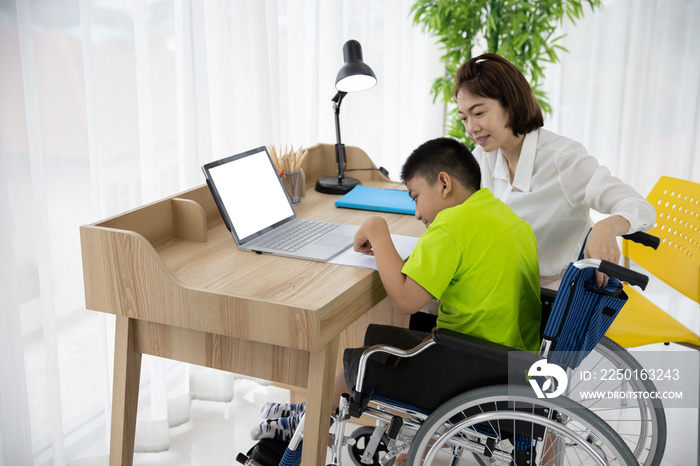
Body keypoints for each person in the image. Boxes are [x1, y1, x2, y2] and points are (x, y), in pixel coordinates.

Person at [250, 137, 542, 447]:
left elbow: (405, 301)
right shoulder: (507, 218)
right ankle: (308, 412)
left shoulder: (451, 226)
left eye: (416, 196)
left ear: (444, 183)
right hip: (508, 364)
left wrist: (377, 228)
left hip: (470, 372)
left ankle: (305, 425)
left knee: (361, 360)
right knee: (379, 339)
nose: (417, 213)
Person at [453, 53, 656, 289]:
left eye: (478, 113)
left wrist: (606, 227)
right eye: (464, 118)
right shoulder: (482, 158)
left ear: (511, 104)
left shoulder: (563, 159)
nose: (471, 128)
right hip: (501, 286)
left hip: (555, 294)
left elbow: (639, 207)